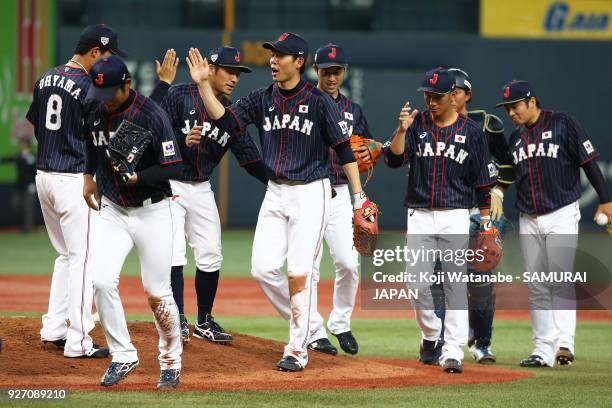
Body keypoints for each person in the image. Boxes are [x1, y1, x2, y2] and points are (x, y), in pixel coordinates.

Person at [185, 32, 370, 372]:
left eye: (280, 55)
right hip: (276, 191)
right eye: (271, 54)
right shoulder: (261, 98)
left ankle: (297, 350)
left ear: (298, 62)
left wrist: (358, 198)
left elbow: (344, 149)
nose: (272, 59)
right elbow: (225, 121)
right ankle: (311, 325)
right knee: (263, 269)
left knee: (299, 273)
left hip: (311, 192)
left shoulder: (319, 101)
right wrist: (202, 86)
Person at [149, 47, 267, 345]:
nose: (235, 78)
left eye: (239, 73)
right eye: (229, 71)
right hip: (171, 184)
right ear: (210, 70)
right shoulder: (179, 96)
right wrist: (178, 141)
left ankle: (204, 321)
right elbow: (150, 136)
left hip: (201, 186)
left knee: (211, 252)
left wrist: (280, 182)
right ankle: (177, 317)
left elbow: (248, 155)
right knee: (175, 251)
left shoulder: (230, 112)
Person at [385, 67, 496, 374]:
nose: (431, 101)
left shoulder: (472, 132)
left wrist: (485, 224)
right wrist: (401, 130)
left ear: (452, 97)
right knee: (415, 284)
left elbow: (483, 183)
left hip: (456, 215)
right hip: (419, 215)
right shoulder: (417, 123)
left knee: (454, 285)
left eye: (436, 96)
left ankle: (453, 351)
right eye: (427, 96)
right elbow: (393, 160)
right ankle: (432, 333)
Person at [25, 23, 126, 358]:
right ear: (95, 52)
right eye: (107, 55)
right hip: (74, 179)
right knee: (84, 259)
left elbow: (37, 126)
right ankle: (78, 341)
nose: (108, 62)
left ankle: (54, 326)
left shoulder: (45, 78)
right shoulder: (87, 86)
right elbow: (97, 139)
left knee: (67, 256)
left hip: (44, 176)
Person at [496, 80, 612, 367]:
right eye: (508, 108)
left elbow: (589, 163)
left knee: (559, 278)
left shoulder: (564, 124)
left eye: (516, 106)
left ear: (532, 102)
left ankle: (564, 344)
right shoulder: (516, 138)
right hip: (528, 216)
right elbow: (510, 173)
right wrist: (498, 191)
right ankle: (542, 350)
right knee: (536, 284)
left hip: (561, 211)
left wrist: (606, 200)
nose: (511, 113)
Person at [83, 56, 183, 388]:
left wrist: (139, 175)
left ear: (127, 84)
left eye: (111, 92)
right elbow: (91, 143)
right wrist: (88, 176)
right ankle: (123, 356)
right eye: (101, 93)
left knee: (157, 291)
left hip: (153, 210)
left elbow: (173, 166)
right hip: (113, 209)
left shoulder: (152, 115)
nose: (105, 99)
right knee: (100, 280)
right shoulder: (95, 107)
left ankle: (170, 362)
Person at [430, 68, 516, 364]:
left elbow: (508, 166)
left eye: (456, 91)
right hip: (451, 207)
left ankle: (481, 342)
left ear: (467, 95)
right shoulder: (432, 124)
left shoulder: (486, 123)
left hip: (482, 211)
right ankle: (441, 341)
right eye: (447, 91)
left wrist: (498, 193)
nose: (451, 95)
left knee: (480, 280)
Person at [307, 43, 376, 356]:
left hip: (340, 193)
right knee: (308, 266)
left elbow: (366, 155)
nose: (331, 76)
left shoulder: (354, 111)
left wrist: (370, 155)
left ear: (344, 72)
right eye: (326, 71)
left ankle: (340, 322)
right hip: (310, 190)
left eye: (336, 71)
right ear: (316, 71)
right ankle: (313, 329)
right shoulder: (305, 102)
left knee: (349, 264)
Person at [0, 138, 37, 233]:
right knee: (16, 205)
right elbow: (7, 159)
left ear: (27, 145)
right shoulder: (19, 156)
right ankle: (22, 225)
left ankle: (27, 229)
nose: (21, 146)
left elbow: (36, 171)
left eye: (23, 144)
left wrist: (33, 183)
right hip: (19, 186)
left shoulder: (33, 157)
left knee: (28, 208)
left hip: (29, 186)